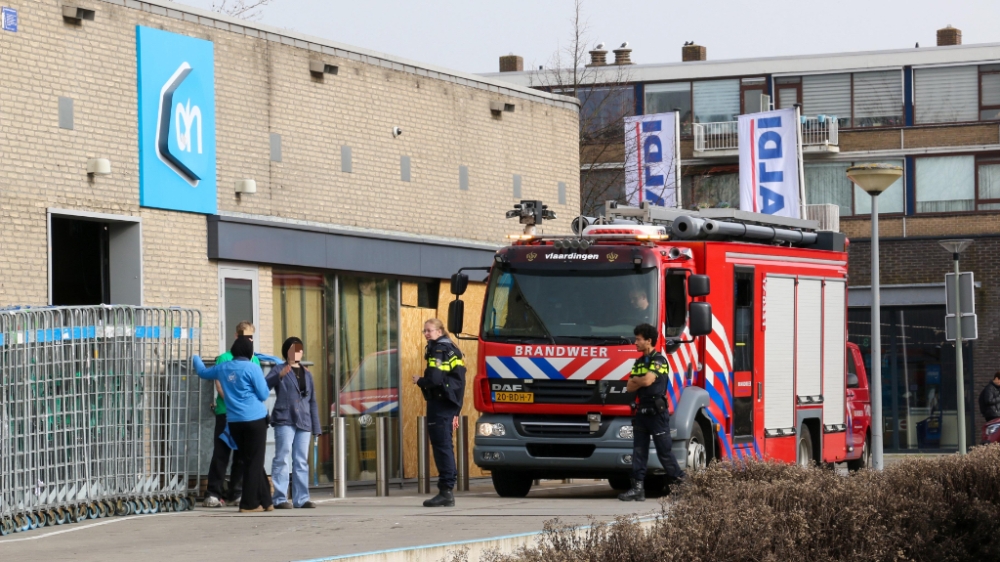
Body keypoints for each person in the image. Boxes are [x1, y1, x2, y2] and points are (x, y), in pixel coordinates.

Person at [194, 334, 273, 513]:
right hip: (255, 420)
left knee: (250, 459)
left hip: (235, 422)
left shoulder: (223, 367)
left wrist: (195, 357)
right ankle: (250, 503)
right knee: (254, 462)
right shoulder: (252, 367)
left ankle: (267, 501)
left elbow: (202, 372)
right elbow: (263, 395)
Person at [619, 323, 685, 502]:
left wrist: (639, 379)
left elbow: (647, 381)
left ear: (649, 341)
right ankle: (637, 489)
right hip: (642, 413)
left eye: (638, 339)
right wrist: (641, 380)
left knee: (664, 451)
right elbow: (629, 386)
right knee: (639, 451)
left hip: (657, 413)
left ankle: (681, 484)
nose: (635, 343)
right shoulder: (639, 362)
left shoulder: (660, 360)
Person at [204, 321, 260, 508]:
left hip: (246, 416)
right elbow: (220, 385)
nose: (249, 341)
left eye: (251, 337)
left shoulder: (254, 360)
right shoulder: (224, 359)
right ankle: (213, 492)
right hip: (226, 413)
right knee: (221, 453)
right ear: (237, 337)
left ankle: (235, 492)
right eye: (246, 337)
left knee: (241, 456)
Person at [412, 318, 466, 507]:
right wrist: (457, 409)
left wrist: (420, 380)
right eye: (424, 331)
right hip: (450, 402)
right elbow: (460, 380)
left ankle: (446, 491)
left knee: (442, 445)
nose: (427, 334)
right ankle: (446, 489)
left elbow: (435, 379)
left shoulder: (439, 350)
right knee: (445, 444)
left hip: (441, 403)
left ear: (440, 331)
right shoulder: (452, 348)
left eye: (430, 331)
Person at [266, 337, 321, 509]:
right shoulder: (279, 369)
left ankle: (302, 498)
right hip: (285, 419)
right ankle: (280, 498)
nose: (296, 352)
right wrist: (278, 376)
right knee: (282, 457)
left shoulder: (307, 374)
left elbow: (312, 401)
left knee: (301, 460)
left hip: (304, 421)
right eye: (292, 349)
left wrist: (316, 426)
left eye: (299, 349)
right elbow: (264, 385)